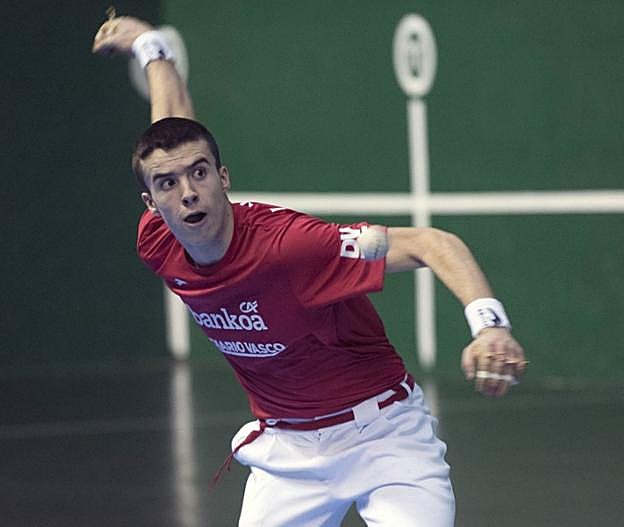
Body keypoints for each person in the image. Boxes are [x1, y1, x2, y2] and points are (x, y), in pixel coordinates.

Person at [93, 13, 526, 527]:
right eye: (168, 184)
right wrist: (150, 46)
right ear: (151, 202)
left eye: (200, 173)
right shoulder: (157, 240)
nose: (188, 192)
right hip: (288, 455)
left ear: (223, 177)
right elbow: (171, 128)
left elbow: (433, 243)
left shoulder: (292, 247)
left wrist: (489, 325)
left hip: (385, 440)